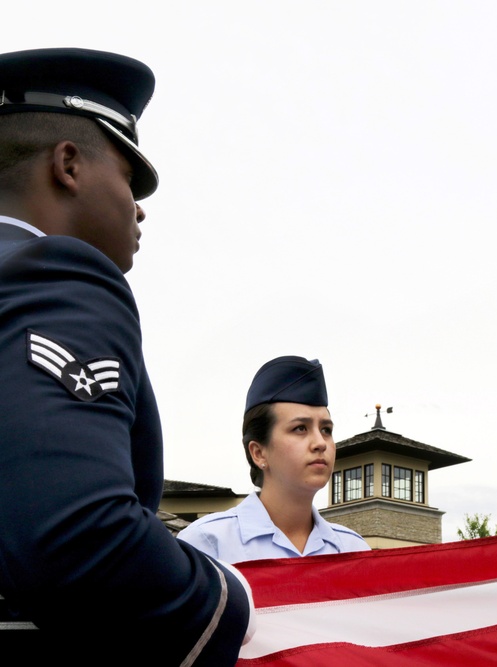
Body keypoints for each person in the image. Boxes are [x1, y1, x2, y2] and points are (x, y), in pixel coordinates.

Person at [0, 48, 251, 664]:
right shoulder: (55, 274)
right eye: (129, 177)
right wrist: (230, 601)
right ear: (69, 164)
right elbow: (78, 538)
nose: (139, 207)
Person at [179, 356, 370, 561]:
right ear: (258, 453)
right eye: (300, 428)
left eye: (326, 429)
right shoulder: (208, 543)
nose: (320, 443)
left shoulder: (353, 550)